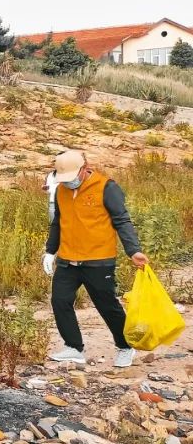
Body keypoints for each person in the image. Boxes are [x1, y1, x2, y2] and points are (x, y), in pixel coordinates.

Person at [43, 150, 148, 367]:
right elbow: (57, 223)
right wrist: (50, 251)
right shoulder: (60, 191)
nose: (68, 182)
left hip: (98, 260)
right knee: (60, 300)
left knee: (107, 305)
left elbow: (122, 220)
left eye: (72, 177)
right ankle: (73, 347)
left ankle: (125, 346)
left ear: (84, 168)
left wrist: (133, 250)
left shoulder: (107, 187)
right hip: (68, 259)